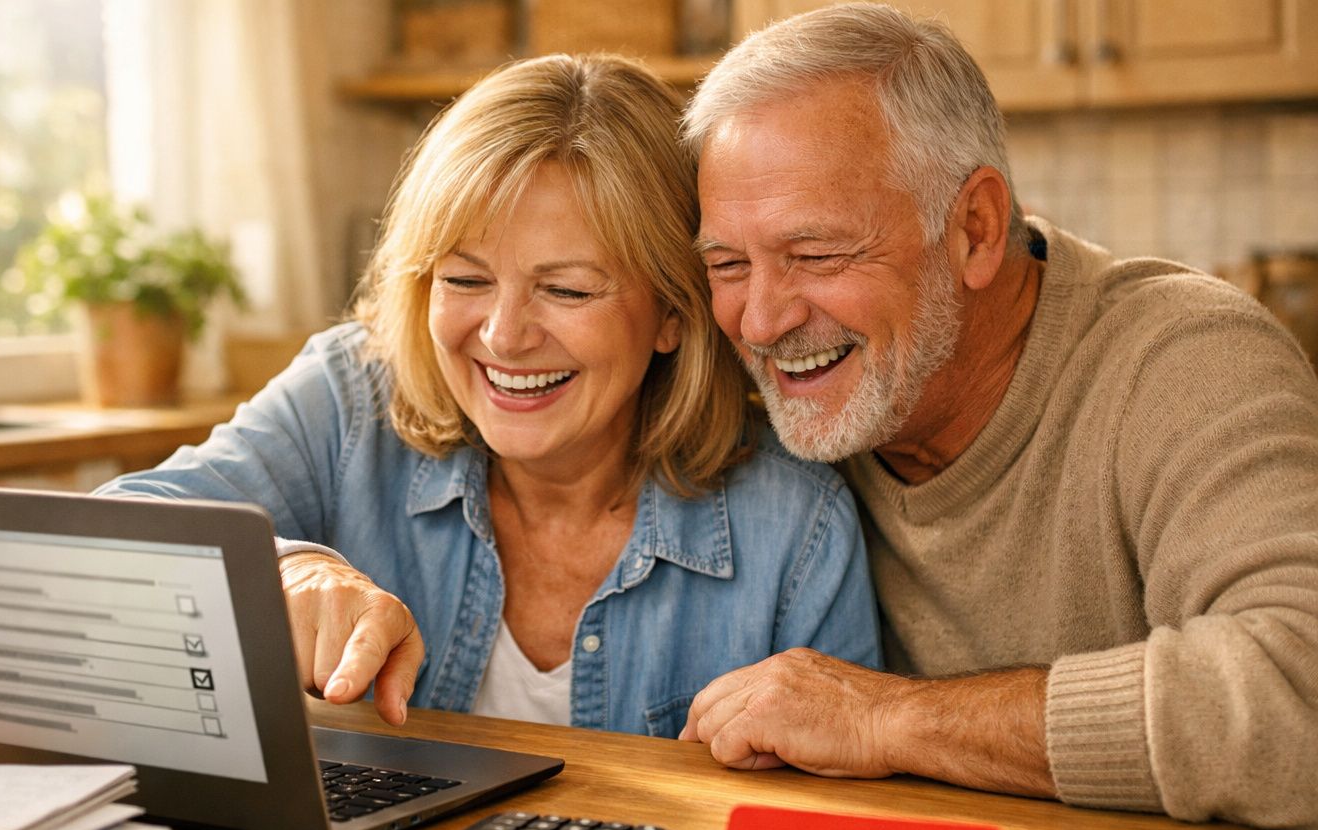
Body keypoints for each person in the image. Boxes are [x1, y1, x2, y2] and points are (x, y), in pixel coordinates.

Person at [97, 53, 880, 737]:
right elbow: (102, 539)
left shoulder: (795, 526)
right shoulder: (350, 400)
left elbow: (836, 827)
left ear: (673, 313)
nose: (504, 337)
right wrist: (287, 570)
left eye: (567, 290)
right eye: (465, 280)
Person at [678, 2, 1318, 830]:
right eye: (729, 265)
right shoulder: (783, 407)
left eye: (817, 254)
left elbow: (1299, 686)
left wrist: (887, 718)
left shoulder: (1185, 360)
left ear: (975, 230)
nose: (762, 322)